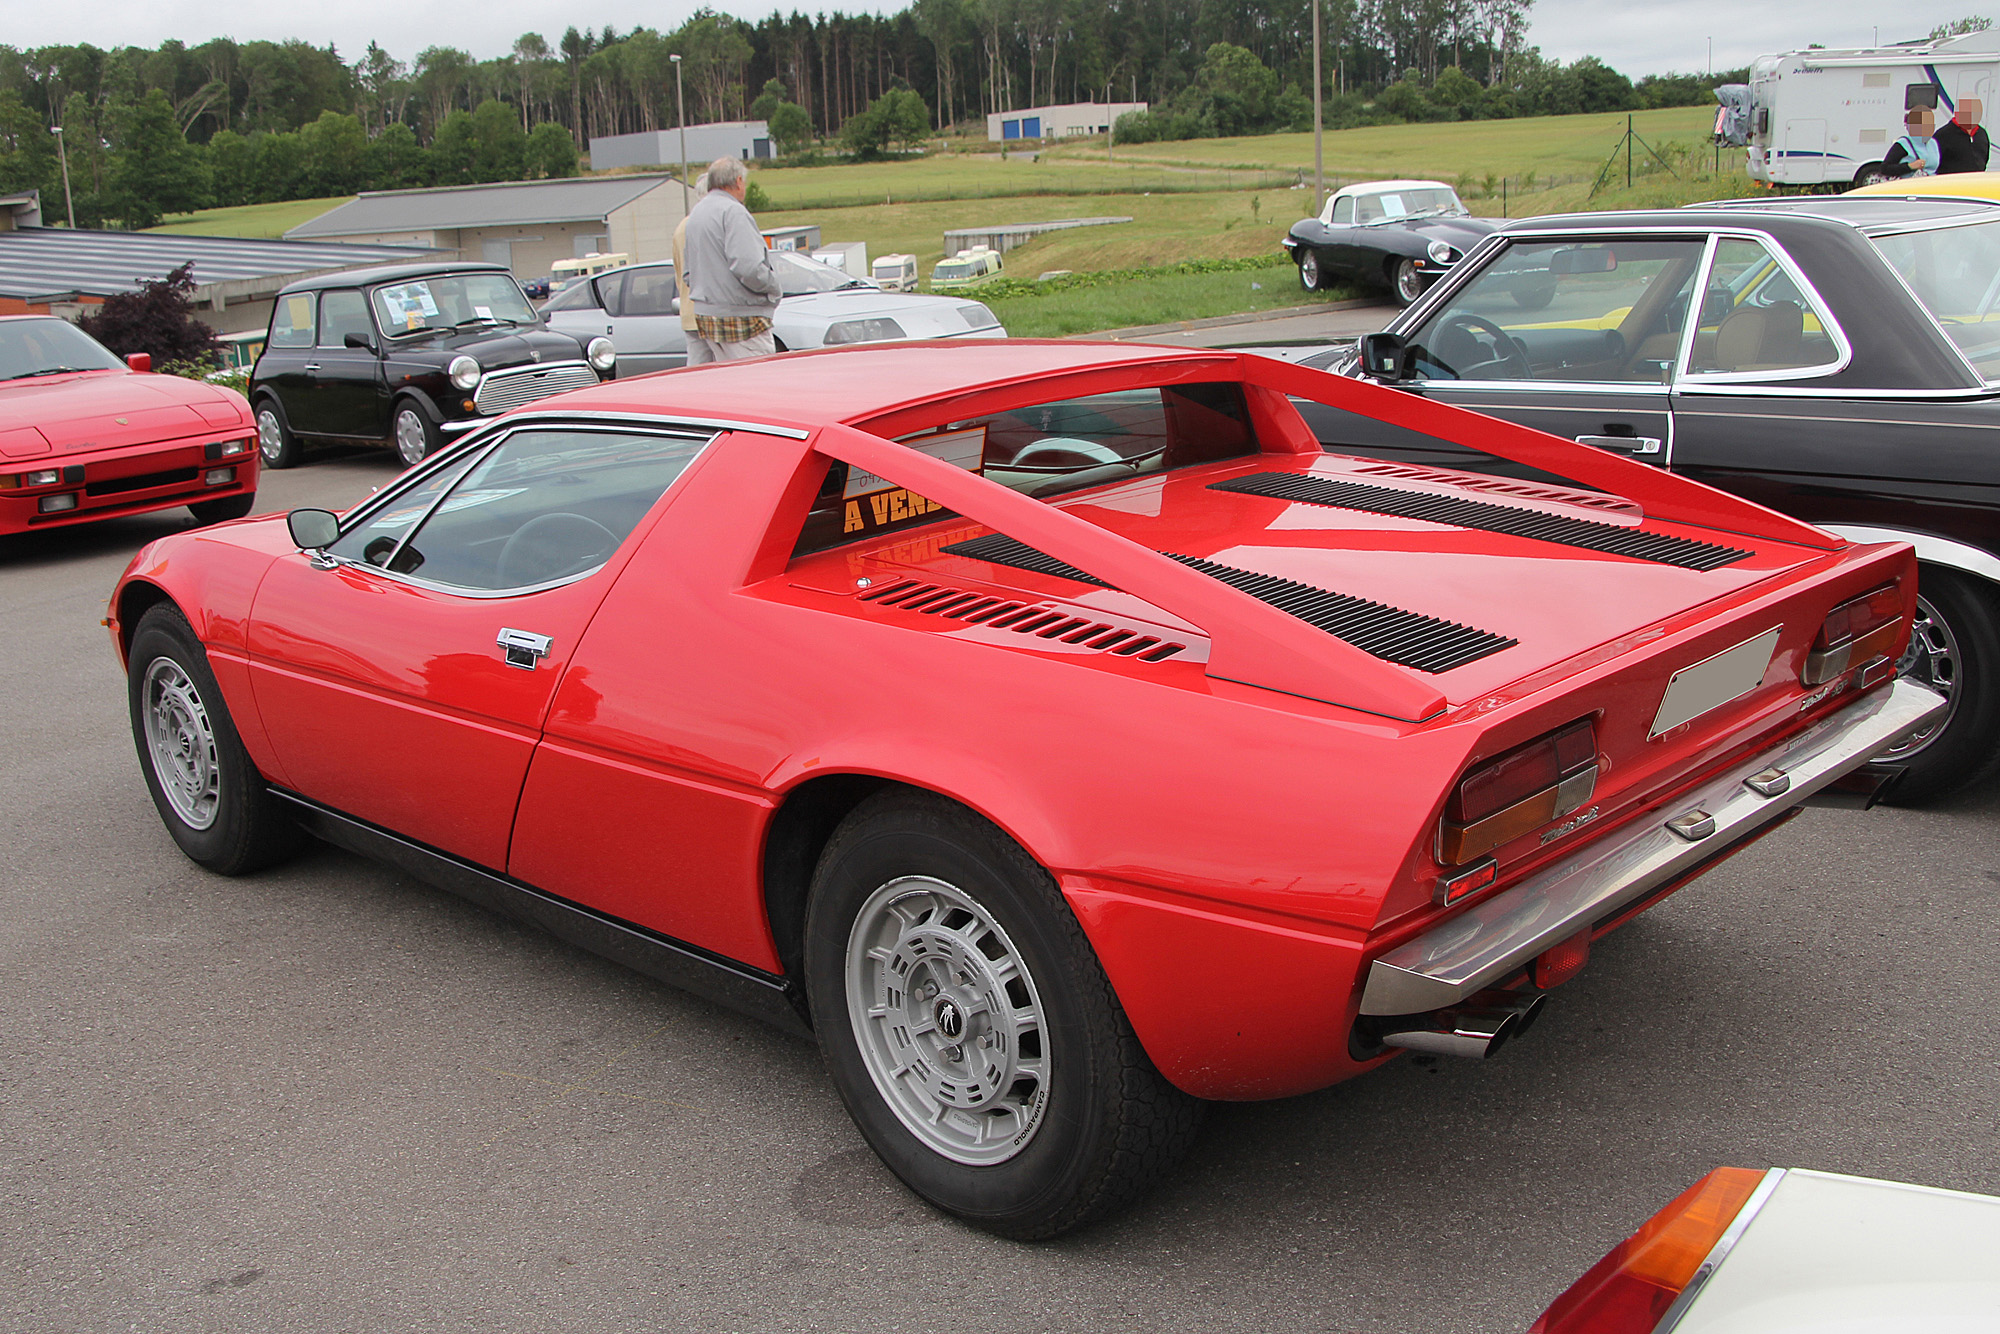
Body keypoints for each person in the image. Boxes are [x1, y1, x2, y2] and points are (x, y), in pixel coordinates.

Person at [682, 156, 781, 362]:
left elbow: (688, 273)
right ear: (738, 181)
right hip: (741, 319)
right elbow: (749, 267)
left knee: (728, 383)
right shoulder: (733, 212)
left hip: (707, 316)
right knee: (758, 382)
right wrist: (774, 288)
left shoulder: (696, 214)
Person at [671, 172, 716, 365]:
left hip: (689, 311)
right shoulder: (704, 224)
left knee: (697, 368)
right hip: (709, 310)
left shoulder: (682, 227)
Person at [1936, 97, 1991, 174]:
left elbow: (1984, 160)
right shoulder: (1942, 135)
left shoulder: (1981, 134)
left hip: (1977, 183)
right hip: (1950, 184)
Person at [1884, 105, 1941, 177]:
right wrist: (1910, 166)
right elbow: (1885, 168)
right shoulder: (1903, 144)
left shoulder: (1933, 143)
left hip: (1932, 185)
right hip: (1910, 185)